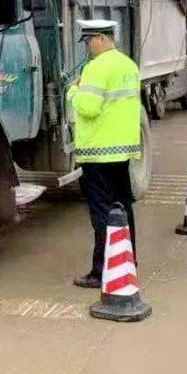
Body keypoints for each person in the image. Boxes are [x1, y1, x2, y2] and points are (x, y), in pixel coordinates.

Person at [66, 19, 142, 289]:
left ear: (100, 38)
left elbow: (88, 107)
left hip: (98, 153)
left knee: (101, 213)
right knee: (123, 205)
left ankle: (101, 271)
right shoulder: (128, 65)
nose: (86, 47)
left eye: (88, 41)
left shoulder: (96, 67)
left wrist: (73, 91)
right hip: (122, 151)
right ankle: (128, 259)